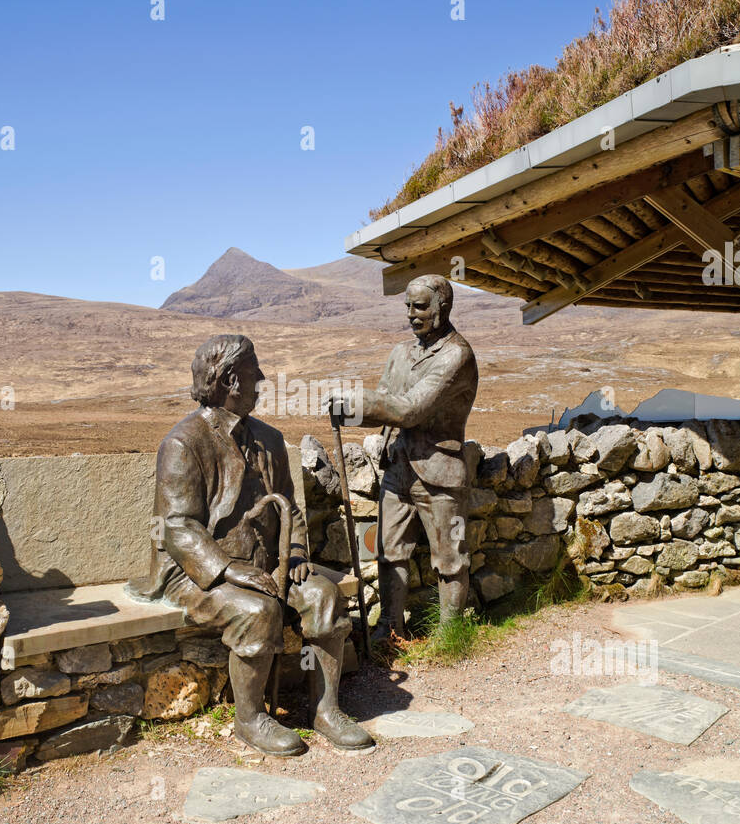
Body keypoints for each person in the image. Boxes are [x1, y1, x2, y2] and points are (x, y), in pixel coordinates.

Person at [126, 334, 374, 756]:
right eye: (252, 372)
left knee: (324, 596)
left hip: (270, 562)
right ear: (227, 381)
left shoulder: (271, 439)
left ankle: (325, 710)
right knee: (257, 611)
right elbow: (178, 527)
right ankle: (250, 719)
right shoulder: (184, 442)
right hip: (195, 572)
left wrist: (295, 553)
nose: (261, 378)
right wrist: (226, 569)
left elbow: (291, 508)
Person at [327, 274, 478, 639]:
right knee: (389, 552)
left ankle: (451, 634)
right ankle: (390, 627)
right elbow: (387, 401)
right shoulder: (400, 353)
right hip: (398, 468)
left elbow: (411, 410)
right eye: (408, 306)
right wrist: (352, 413)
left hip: (439, 472)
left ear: (443, 307)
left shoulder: (457, 355)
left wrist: (355, 403)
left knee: (449, 559)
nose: (411, 314)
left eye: (421, 306)